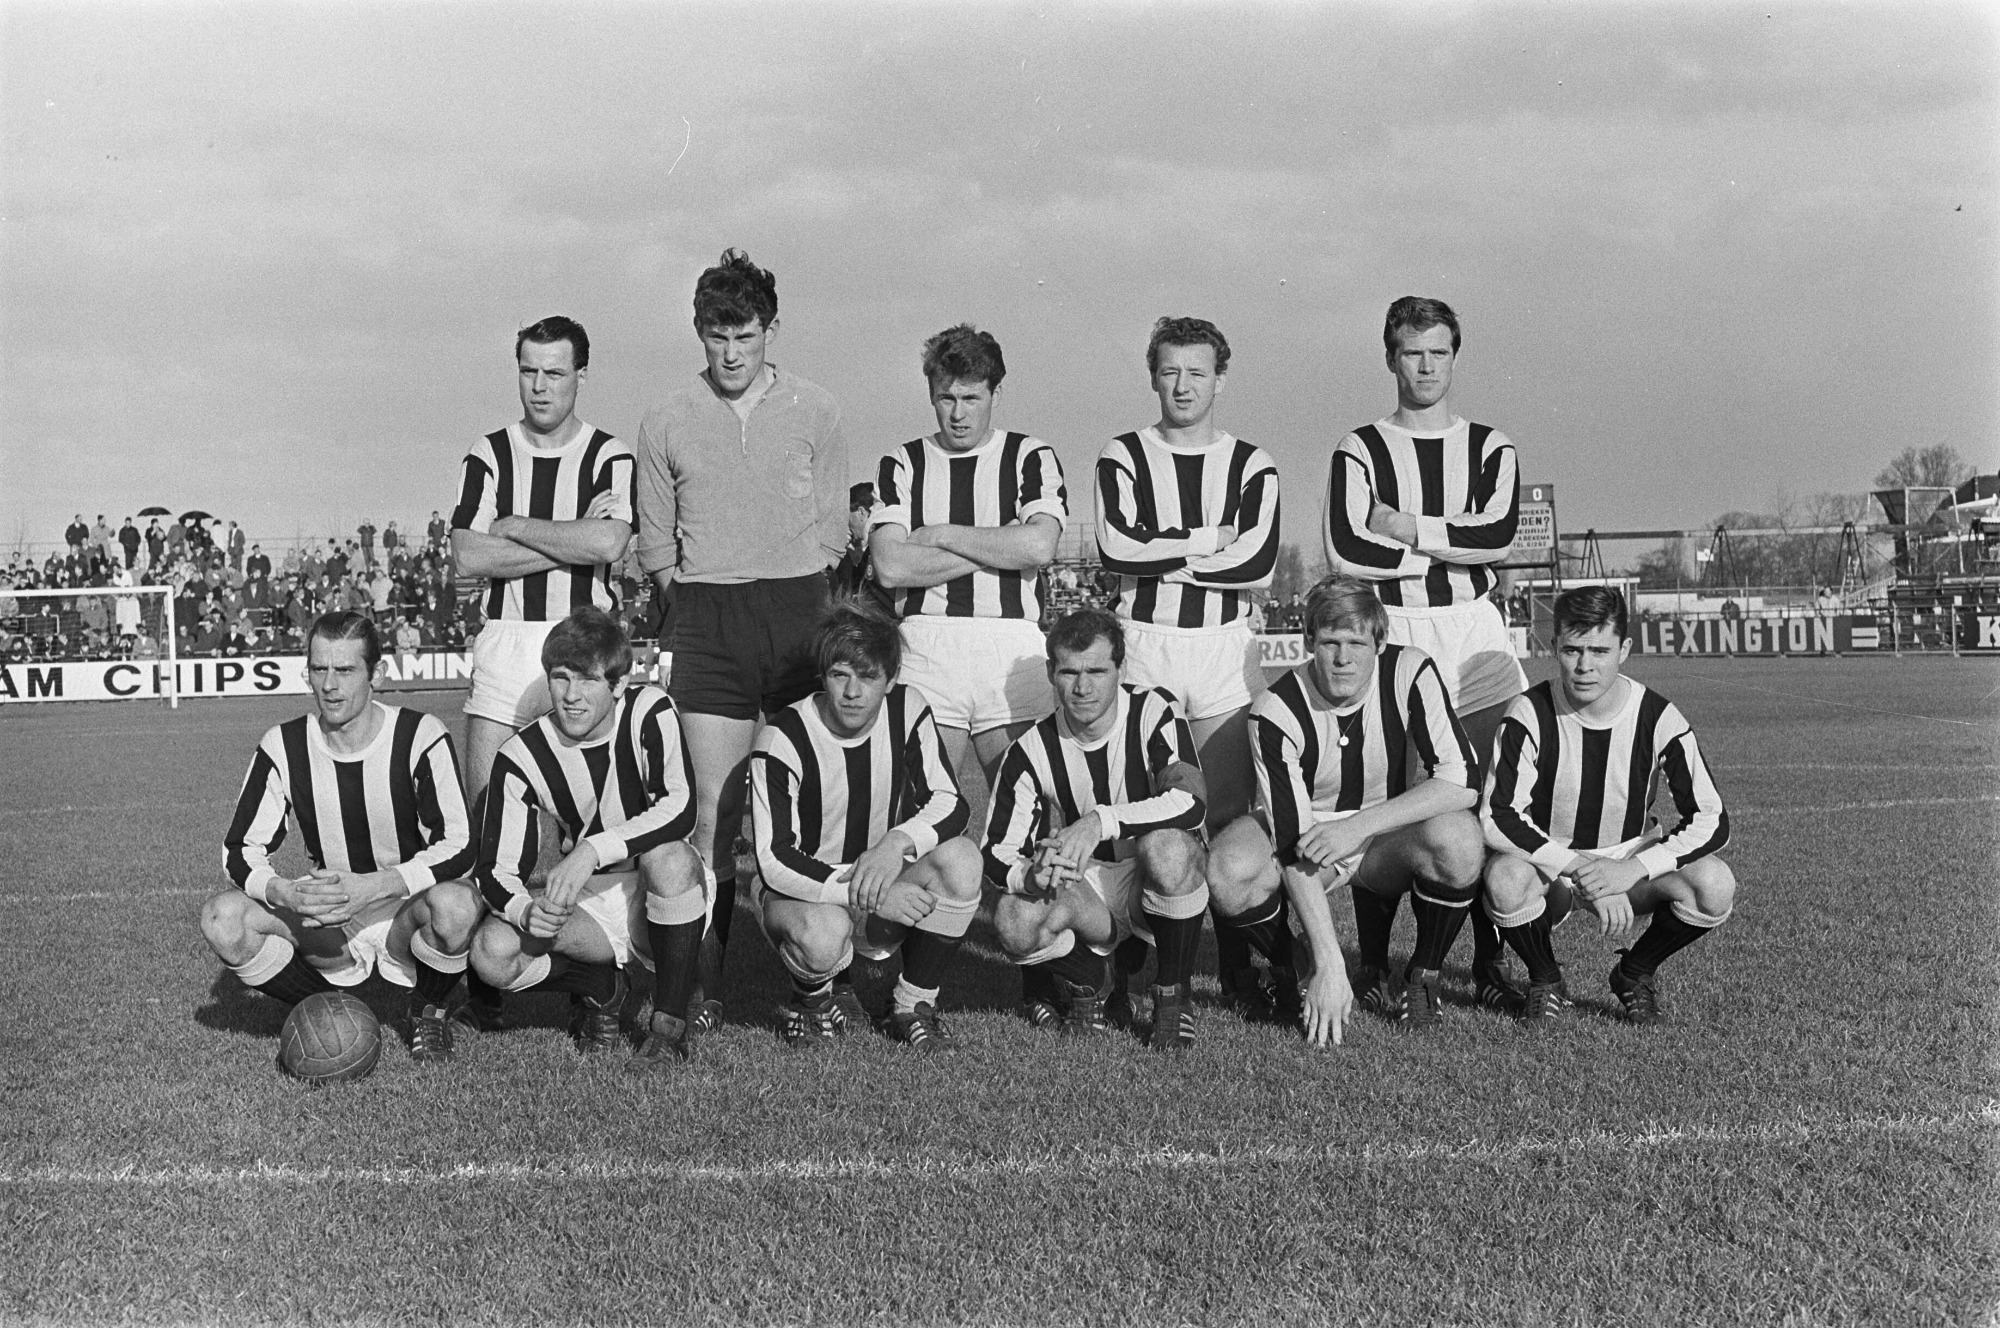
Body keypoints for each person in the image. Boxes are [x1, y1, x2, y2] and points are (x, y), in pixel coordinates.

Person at [633, 249, 848, 1028]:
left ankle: (817, 980)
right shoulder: (666, 417)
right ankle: (705, 984)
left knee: (809, 807)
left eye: (745, 336)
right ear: (700, 334)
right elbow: (656, 546)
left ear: (771, 330)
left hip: (797, 618)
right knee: (713, 815)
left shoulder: (816, 408)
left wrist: (794, 590)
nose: (730, 354)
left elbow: (833, 529)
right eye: (716, 337)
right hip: (708, 621)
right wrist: (701, 606)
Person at [1322, 295, 1529, 1008]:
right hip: (1398, 628)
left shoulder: (1491, 447)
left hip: (1475, 636)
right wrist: (1450, 542)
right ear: (1391, 358)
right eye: (1413, 352)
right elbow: (1347, 547)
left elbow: (1498, 536)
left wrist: (1403, 525)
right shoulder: (1360, 447)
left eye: (1439, 352)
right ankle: (1376, 963)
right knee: (1396, 797)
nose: (1427, 366)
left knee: (1494, 797)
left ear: (1455, 357)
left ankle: (1491, 964)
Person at [1094, 315, 1280, 1014]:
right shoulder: (1123, 455)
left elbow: (1257, 562)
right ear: (1153, 376)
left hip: (1223, 648)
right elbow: (1116, 546)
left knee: (1227, 813)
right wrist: (1210, 540)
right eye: (1170, 371)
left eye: (1197, 372)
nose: (1183, 385)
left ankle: (1237, 973)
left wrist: (1164, 552)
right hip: (1146, 644)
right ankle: (1121, 972)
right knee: (1145, 811)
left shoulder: (1252, 463)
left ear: (1219, 380)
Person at [1207, 576, 1484, 1038]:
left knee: (1459, 838)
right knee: (1227, 868)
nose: (1343, 657)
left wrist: (1358, 826)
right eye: (1330, 642)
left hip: (1384, 835)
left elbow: (1463, 780)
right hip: (1311, 836)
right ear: (1308, 641)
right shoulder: (1275, 710)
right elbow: (1293, 845)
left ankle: (1423, 978)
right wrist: (1329, 962)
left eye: (1357, 642)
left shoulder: (1410, 670)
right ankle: (1295, 968)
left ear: (1380, 643)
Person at [198, 612, 479, 1061]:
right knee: (222, 918)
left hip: (404, 906)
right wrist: (285, 892)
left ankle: (427, 1010)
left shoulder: (419, 735)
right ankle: (328, 1010)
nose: (329, 685)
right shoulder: (283, 745)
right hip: (329, 920)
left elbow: (461, 844)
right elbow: (238, 850)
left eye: (345, 670)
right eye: (319, 669)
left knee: (457, 904)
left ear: (376, 675)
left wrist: (375, 886)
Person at [459, 606, 712, 1062]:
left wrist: (592, 849)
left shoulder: (649, 709)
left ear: (618, 684)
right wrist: (523, 911)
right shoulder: (521, 754)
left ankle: (669, 1026)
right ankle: (601, 986)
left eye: (588, 680)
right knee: (492, 951)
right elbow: (495, 869)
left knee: (669, 857)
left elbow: (680, 808)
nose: (571, 696)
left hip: (660, 886)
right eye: (560, 678)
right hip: (592, 900)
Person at [1481, 586, 1735, 1023]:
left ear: (1625, 650)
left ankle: (1635, 972)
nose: (1585, 666)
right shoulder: (1528, 712)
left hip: (1629, 860)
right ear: (1554, 646)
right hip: (1553, 866)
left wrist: (1630, 870)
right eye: (1572, 650)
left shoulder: (1658, 716)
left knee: (1714, 884)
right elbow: (1498, 815)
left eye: (1599, 651)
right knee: (1504, 877)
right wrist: (1580, 868)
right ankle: (1545, 979)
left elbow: (1711, 819)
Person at [749, 601, 979, 1051]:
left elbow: (951, 803)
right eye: (840, 675)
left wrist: (896, 844)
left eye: (869, 677)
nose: (853, 692)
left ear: (891, 680)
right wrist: (869, 894)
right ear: (823, 675)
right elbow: (774, 861)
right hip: (804, 895)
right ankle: (812, 999)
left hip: (879, 875)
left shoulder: (907, 708)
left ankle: (912, 1006)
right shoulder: (782, 737)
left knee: (962, 859)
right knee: (822, 937)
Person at [983, 608, 1210, 1047]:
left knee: (1169, 848)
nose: (1082, 687)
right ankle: (1093, 979)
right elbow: (994, 851)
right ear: (1050, 673)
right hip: (1087, 888)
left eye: (1097, 671)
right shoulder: (1031, 748)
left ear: (1120, 669)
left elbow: (1191, 802)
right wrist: (1030, 875)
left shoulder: (1153, 710)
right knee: (1012, 917)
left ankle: (1173, 996)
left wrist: (1099, 821)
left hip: (1149, 877)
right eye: (1069, 672)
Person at [868, 323, 1067, 788]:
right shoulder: (902, 462)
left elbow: (1040, 546)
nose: (958, 414)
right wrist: (1004, 545)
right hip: (927, 644)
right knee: (919, 802)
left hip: (1012, 645)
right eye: (946, 398)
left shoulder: (1029, 456)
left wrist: (941, 534)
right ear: (931, 393)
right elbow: (891, 567)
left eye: (971, 398)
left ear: (996, 392)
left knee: (1029, 801)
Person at [449, 315, 634, 811]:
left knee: (598, 819)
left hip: (587, 642)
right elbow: (468, 554)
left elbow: (609, 544)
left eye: (554, 373)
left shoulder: (609, 455)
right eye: (528, 371)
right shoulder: (489, 452)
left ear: (581, 375)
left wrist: (513, 525)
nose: (539, 386)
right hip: (506, 641)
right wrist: (575, 533)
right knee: (488, 816)